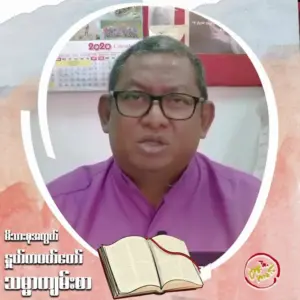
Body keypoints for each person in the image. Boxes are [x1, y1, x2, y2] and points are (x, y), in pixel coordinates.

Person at [48, 35, 261, 264]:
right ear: (107, 114)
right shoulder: (53, 208)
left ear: (204, 119)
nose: (155, 119)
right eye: (134, 97)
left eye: (177, 100)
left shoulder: (255, 206)